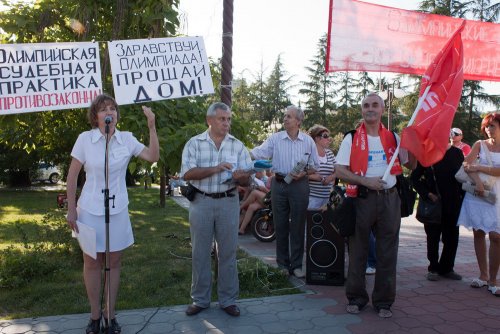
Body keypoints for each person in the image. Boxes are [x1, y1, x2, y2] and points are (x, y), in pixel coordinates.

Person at [66, 93, 159, 334]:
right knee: (92, 262)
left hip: (117, 209)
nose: (109, 112)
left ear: (117, 114)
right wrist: (71, 210)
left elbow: (152, 156)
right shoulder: (85, 139)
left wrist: (152, 127)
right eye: (103, 109)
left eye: (113, 109)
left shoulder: (126, 139)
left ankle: (110, 314)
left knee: (114, 261)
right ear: (95, 116)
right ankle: (95, 316)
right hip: (88, 209)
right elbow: (73, 175)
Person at [335, 92, 414, 318]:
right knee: (358, 250)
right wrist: (365, 180)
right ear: (362, 110)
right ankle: (357, 298)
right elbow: (339, 170)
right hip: (361, 198)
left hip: (390, 198)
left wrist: (412, 146)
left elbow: (411, 165)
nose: (370, 108)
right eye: (366, 105)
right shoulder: (351, 137)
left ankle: (384, 302)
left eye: (375, 105)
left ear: (382, 109)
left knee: (388, 252)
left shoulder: (394, 138)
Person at [181, 102, 252, 317]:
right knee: (200, 251)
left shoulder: (238, 146)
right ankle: (200, 300)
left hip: (229, 202)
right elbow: (187, 173)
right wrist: (216, 168)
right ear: (209, 120)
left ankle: (228, 300)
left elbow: (249, 180)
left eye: (229, 119)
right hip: (201, 202)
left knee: (228, 252)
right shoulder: (194, 143)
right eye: (222, 119)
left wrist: (243, 178)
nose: (227, 123)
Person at [251, 105, 319, 278]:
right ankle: (282, 264)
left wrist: (303, 173)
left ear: (298, 121)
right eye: (285, 116)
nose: (285, 119)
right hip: (279, 184)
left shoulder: (308, 141)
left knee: (298, 225)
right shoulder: (275, 139)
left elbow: (315, 166)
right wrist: (239, 151)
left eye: (289, 116)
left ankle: (296, 265)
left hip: (300, 185)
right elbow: (259, 153)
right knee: (280, 225)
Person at [457, 113, 500, 297]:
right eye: (487, 126)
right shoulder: (479, 145)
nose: (489, 129)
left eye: (493, 126)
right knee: (479, 232)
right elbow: (466, 164)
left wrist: (479, 167)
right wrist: (478, 181)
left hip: (497, 196)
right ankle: (483, 276)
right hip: (478, 194)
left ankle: (493, 280)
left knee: (496, 236)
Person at [411, 144, 464, 282]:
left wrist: (464, 199)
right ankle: (433, 268)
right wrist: (428, 194)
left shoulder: (457, 153)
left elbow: (463, 177)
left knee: (452, 237)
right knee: (433, 237)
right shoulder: (427, 153)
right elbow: (414, 179)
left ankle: (447, 268)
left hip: (453, 203)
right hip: (434, 203)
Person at [307, 125, 336, 210]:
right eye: (325, 136)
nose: (329, 139)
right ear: (316, 138)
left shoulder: (330, 153)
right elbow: (295, 175)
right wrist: (312, 177)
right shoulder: (307, 154)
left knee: (328, 223)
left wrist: (331, 177)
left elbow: (338, 171)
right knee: (312, 223)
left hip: (329, 199)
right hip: (312, 199)